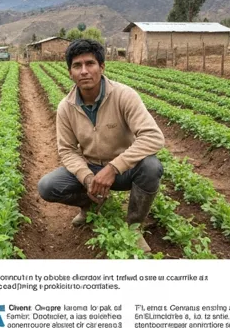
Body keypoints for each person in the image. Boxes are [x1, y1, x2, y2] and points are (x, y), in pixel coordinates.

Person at [37, 38, 165, 251]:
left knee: (151, 167)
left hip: (125, 170)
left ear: (102, 67)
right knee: (48, 186)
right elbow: (67, 150)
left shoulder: (124, 95)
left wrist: (114, 168)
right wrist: (88, 179)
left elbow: (153, 136)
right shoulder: (66, 107)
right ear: (70, 72)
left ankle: (133, 227)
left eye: (90, 64)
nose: (84, 71)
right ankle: (89, 205)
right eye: (77, 66)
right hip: (91, 168)